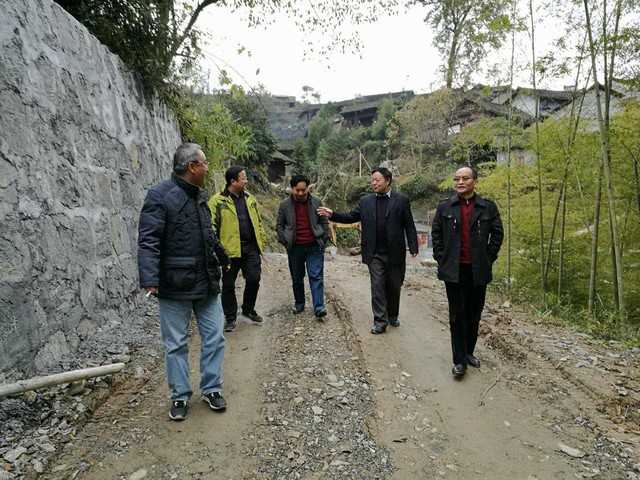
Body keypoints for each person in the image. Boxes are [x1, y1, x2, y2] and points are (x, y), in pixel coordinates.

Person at [138, 143, 229, 421]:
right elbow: (149, 239)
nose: (207, 168)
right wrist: (150, 278)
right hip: (174, 283)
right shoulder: (160, 196)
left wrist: (222, 255)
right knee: (176, 343)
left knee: (215, 337)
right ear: (192, 167)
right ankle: (180, 395)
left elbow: (207, 233)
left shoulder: (200, 196)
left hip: (206, 280)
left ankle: (211, 388)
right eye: (204, 163)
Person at [318, 167, 418, 334]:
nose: (374, 183)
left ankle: (392, 315)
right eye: (372, 180)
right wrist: (332, 214)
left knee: (394, 286)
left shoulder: (401, 200)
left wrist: (413, 246)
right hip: (374, 253)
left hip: (395, 253)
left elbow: (409, 224)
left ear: (388, 180)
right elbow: (351, 217)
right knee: (377, 286)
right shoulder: (366, 201)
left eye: (377, 180)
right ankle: (380, 321)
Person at [431, 166, 504, 379]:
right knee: (457, 315)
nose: (460, 182)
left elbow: (498, 234)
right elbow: (436, 234)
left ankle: (469, 352)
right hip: (454, 270)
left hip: (478, 270)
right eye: (457, 179)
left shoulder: (487, 207)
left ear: (475, 181)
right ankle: (459, 360)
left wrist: (488, 258)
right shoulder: (445, 206)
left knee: (474, 314)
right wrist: (441, 258)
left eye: (465, 178)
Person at [209, 166, 267, 332]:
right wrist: (218, 249)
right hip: (229, 251)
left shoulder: (250, 198)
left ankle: (248, 309)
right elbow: (211, 226)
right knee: (228, 285)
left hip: (251, 248)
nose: (246, 181)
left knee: (254, 279)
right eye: (243, 178)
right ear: (233, 181)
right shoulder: (217, 201)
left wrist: (261, 240)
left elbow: (258, 222)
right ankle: (230, 317)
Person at [277, 174, 330, 318]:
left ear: (308, 188)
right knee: (297, 277)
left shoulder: (316, 202)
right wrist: (284, 240)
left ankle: (319, 307)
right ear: (292, 189)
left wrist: (324, 238)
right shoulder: (284, 205)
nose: (300, 193)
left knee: (316, 276)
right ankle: (299, 304)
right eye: (297, 190)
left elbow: (324, 222)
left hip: (314, 246)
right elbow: (280, 225)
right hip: (295, 247)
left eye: (303, 190)